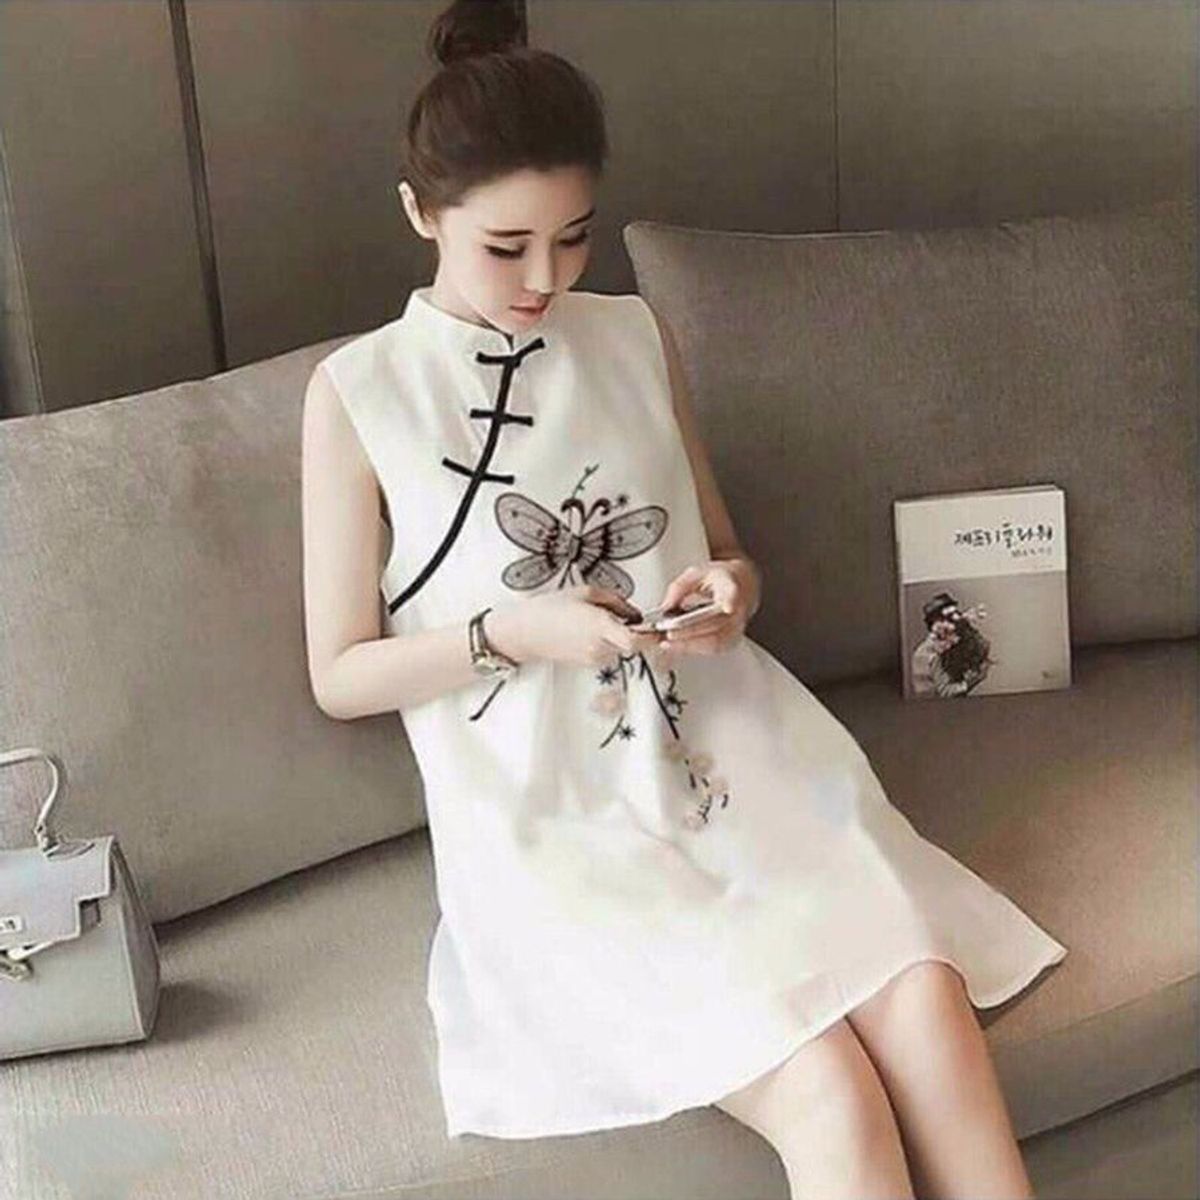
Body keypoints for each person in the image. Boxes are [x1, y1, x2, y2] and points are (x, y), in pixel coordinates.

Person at [300, 2, 1067, 1195]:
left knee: (926, 999)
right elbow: (339, 673)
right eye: (506, 247)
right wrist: (516, 633)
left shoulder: (630, 335)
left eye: (573, 238)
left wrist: (729, 594)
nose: (546, 278)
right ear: (420, 212)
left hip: (734, 755)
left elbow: (726, 551)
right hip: (552, 813)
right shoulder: (360, 394)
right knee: (827, 1091)